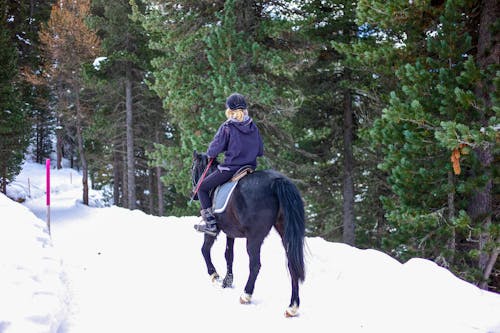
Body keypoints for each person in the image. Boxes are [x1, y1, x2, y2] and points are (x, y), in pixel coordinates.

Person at [195, 93, 264, 236]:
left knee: (201, 187)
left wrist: (212, 155)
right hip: (249, 169)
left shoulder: (228, 126)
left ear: (229, 110)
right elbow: (260, 151)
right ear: (245, 109)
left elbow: (213, 150)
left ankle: (210, 224)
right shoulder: (253, 126)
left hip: (231, 169)